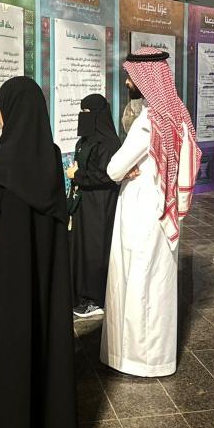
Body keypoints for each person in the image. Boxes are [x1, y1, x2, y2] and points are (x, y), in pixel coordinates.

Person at [0, 77, 78, 428]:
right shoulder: (51, 157)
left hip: (6, 276)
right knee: (44, 344)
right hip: (46, 274)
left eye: (1, 109)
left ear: (10, 112)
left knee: (2, 349)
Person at [100, 47, 201, 377]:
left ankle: (137, 360)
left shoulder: (148, 121)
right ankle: (156, 356)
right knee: (158, 282)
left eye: (131, 76)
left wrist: (123, 169)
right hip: (163, 210)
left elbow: (114, 169)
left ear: (144, 79)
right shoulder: (178, 113)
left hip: (142, 211)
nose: (128, 82)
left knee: (139, 283)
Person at [66, 94, 121, 318]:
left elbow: (106, 175)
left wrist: (77, 175)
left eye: (87, 112)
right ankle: (81, 293)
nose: (83, 116)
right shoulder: (85, 140)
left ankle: (96, 298)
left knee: (96, 248)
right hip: (84, 202)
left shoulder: (110, 144)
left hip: (100, 203)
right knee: (82, 246)